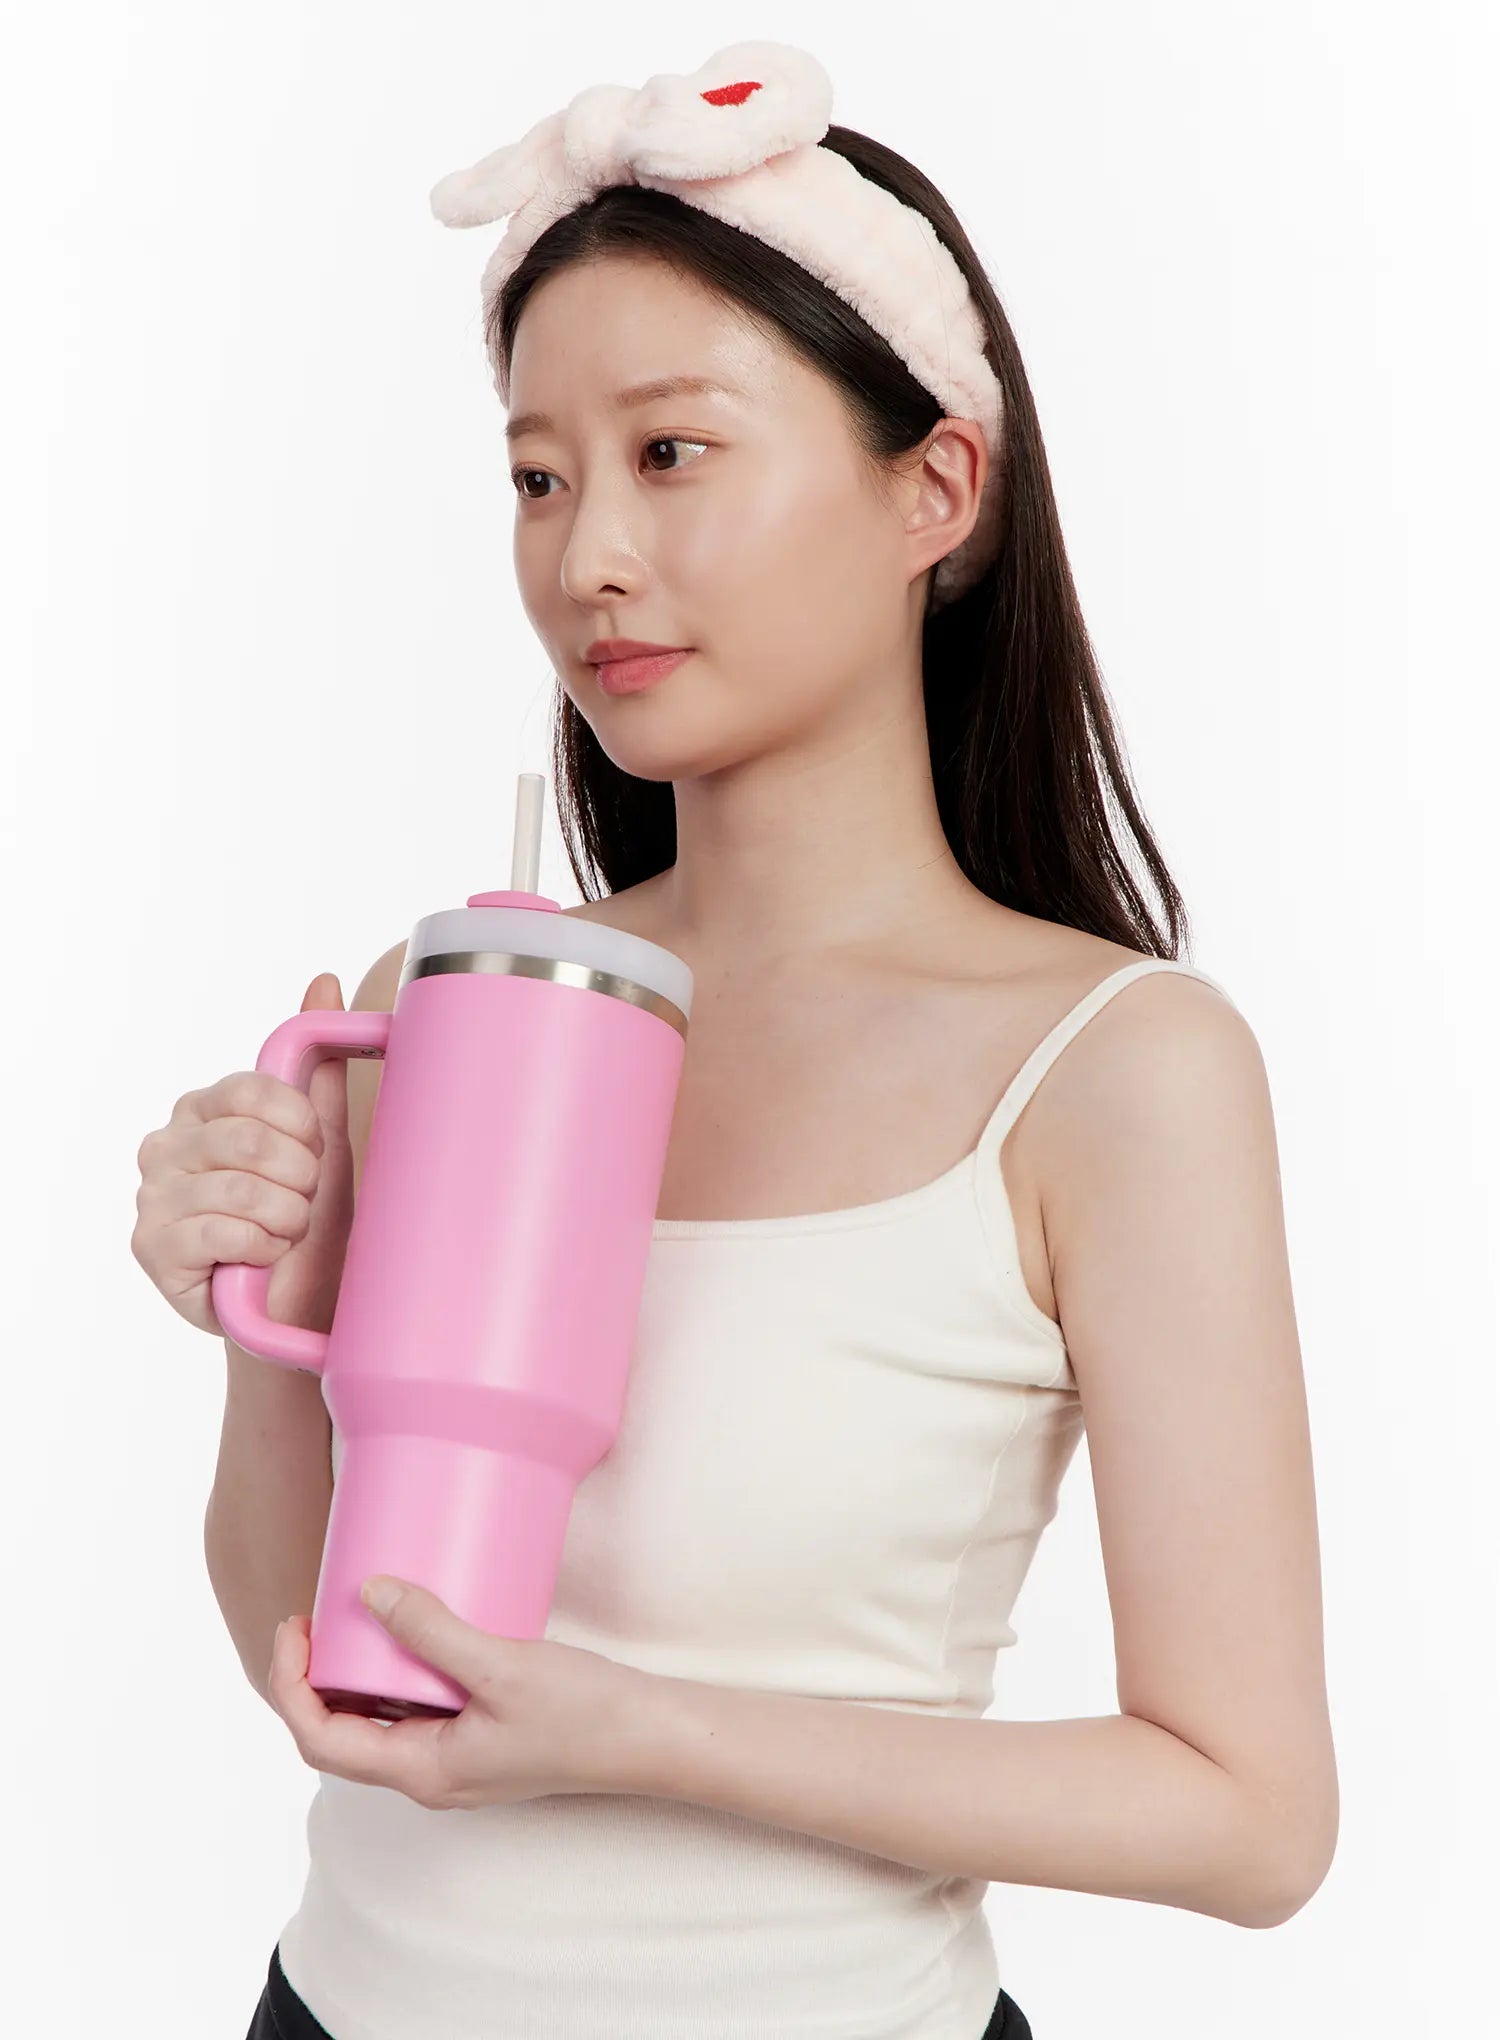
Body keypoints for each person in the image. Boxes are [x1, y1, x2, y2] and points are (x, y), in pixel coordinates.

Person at [134, 40, 1337, 2039]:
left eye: (672, 453)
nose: (587, 555)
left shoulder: (1117, 1072)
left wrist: (639, 1733)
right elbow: (320, 1645)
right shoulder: (465, 997)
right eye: (539, 475)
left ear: (934, 487)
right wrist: (266, 1312)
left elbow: (1250, 1817)